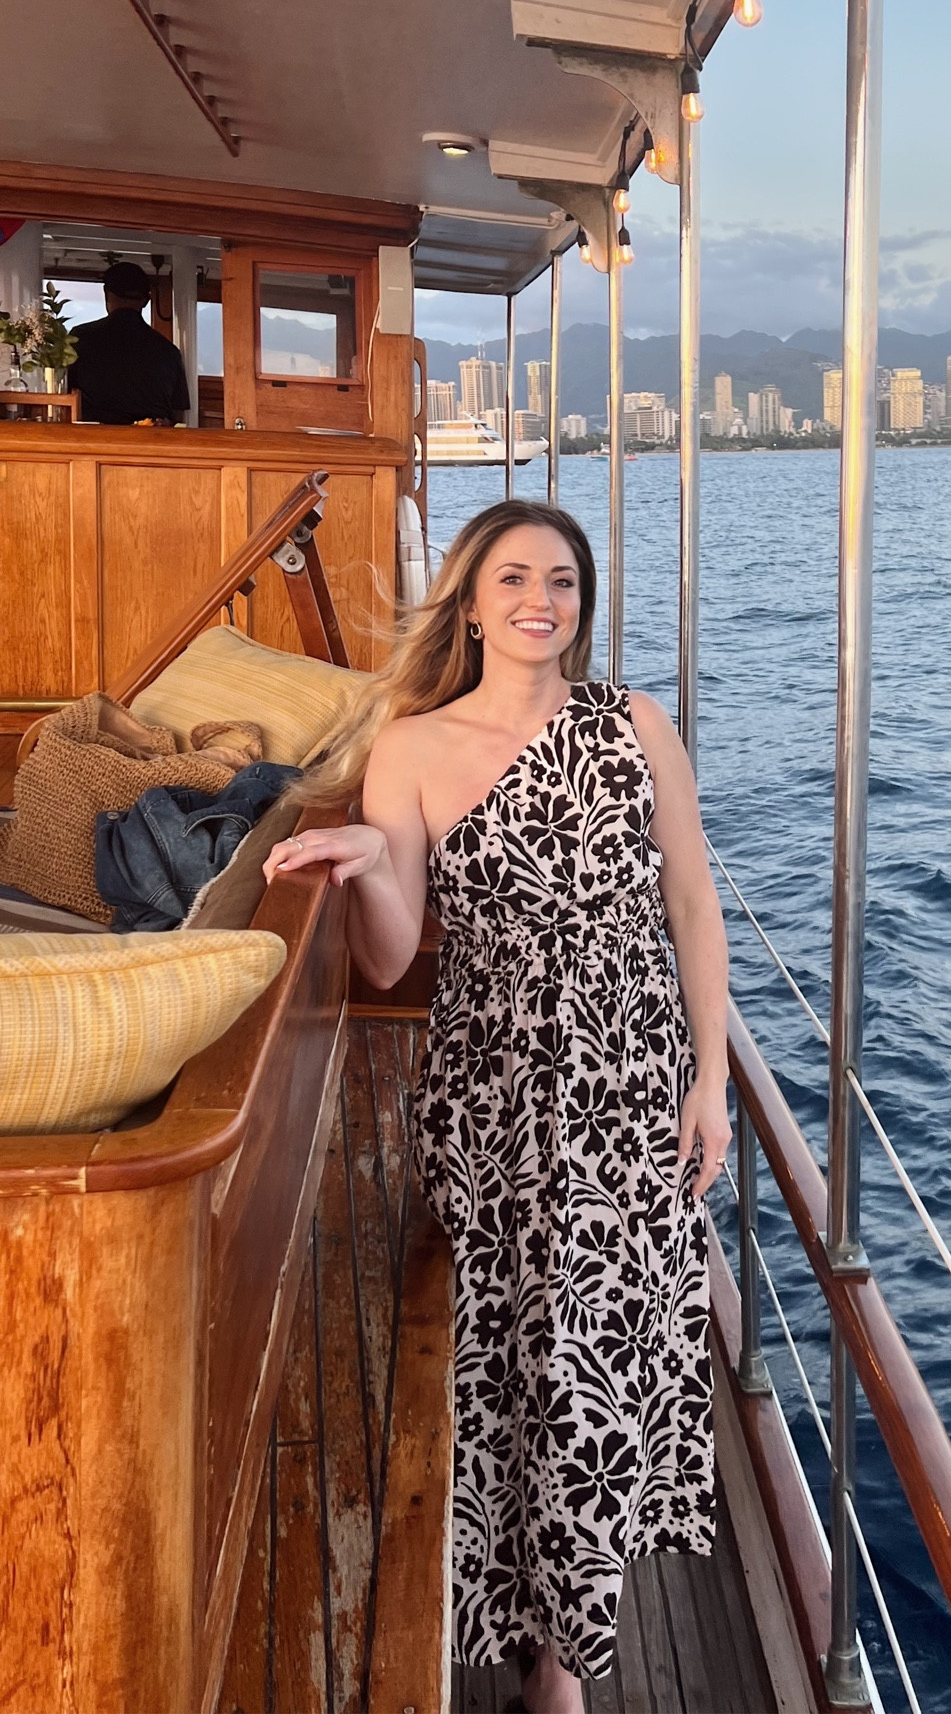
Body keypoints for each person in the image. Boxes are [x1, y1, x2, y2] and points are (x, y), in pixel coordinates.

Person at [263, 500, 730, 1714]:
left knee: (601, 1371)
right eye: (515, 576)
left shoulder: (635, 726)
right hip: (500, 1093)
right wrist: (368, 864)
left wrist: (714, 1080)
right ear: (469, 601)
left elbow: (692, 909)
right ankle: (542, 1643)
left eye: (564, 581)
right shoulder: (411, 747)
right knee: (524, 1368)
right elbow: (391, 957)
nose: (542, 599)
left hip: (629, 1088)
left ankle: (563, 1668)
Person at [68, 260, 190, 425]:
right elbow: (178, 414)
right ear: (146, 301)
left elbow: (66, 396)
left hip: (95, 441)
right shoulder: (169, 351)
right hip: (151, 443)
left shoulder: (79, 338)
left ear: (107, 294)